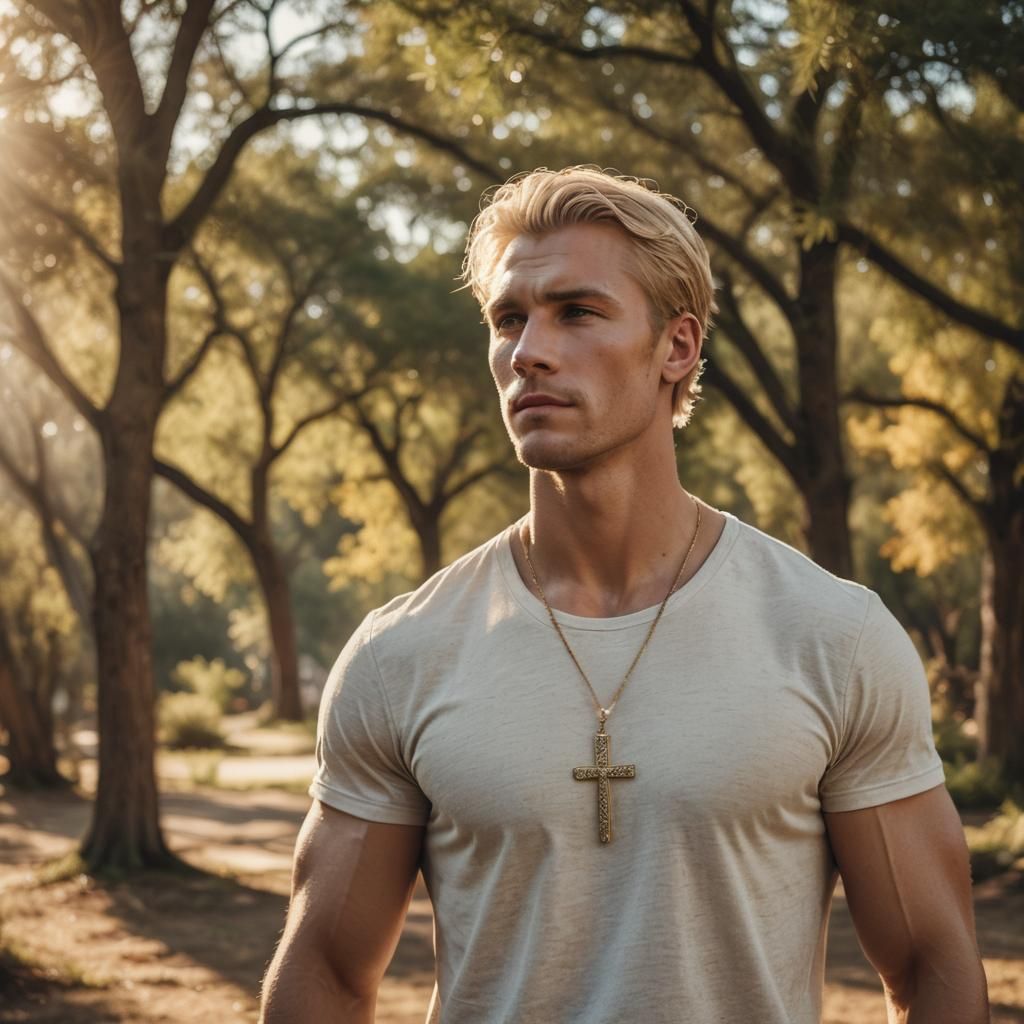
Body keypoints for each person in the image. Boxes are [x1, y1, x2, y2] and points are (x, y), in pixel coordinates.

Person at [260, 167, 988, 1023]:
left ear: (676, 348)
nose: (528, 348)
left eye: (577, 312)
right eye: (508, 319)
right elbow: (327, 973)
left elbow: (933, 960)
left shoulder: (833, 635)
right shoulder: (400, 655)